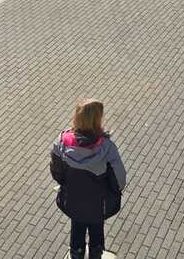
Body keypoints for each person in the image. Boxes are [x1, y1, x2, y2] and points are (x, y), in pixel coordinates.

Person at [50, 99, 127, 259]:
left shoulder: (62, 142)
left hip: (73, 201)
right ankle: (95, 253)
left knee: (77, 227)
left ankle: (76, 253)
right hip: (98, 204)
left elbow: (57, 173)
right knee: (96, 230)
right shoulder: (107, 148)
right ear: (98, 119)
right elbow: (119, 181)